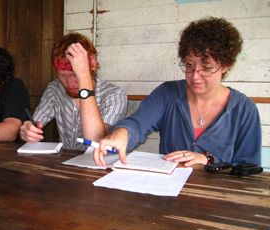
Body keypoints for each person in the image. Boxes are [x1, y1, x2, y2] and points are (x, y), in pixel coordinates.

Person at [93, 17, 261, 167]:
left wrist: (209, 159)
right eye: (189, 65)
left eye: (206, 68)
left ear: (225, 66)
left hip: (217, 198)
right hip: (170, 194)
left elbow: (249, 168)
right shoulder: (168, 93)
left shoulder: (244, 109)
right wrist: (121, 134)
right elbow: (137, 123)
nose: (195, 76)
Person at [19, 32, 127, 150]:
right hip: (65, 161)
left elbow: (94, 143)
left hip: (101, 162)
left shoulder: (114, 95)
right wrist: (27, 131)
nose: (69, 84)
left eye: (75, 75)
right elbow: (35, 123)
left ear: (93, 66)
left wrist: (84, 78)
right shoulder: (55, 88)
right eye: (62, 76)